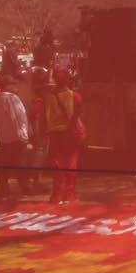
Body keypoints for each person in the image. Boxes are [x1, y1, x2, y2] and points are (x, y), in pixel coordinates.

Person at [46, 69, 83, 204]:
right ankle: (69, 195)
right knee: (71, 163)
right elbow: (77, 114)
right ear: (68, 80)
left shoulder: (48, 97)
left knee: (57, 164)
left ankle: (56, 195)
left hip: (54, 134)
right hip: (69, 134)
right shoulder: (75, 96)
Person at [0, 75, 31, 200]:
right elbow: (18, 118)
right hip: (16, 137)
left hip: (3, 137)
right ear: (6, 86)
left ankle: (4, 191)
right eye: (12, 84)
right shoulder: (12, 98)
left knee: (3, 168)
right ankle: (25, 188)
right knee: (21, 164)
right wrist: (23, 136)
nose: (15, 86)